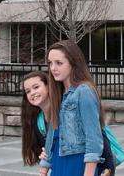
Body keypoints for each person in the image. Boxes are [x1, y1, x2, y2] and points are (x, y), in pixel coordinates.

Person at [39, 40, 105, 176]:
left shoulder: (84, 91)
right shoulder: (58, 94)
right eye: (50, 63)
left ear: (73, 63)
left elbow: (93, 137)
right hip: (58, 162)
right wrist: (44, 168)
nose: (53, 68)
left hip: (77, 162)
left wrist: (89, 173)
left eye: (59, 63)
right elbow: (53, 135)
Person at [21, 71, 59, 166]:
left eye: (36, 87)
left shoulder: (64, 111)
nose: (32, 93)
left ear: (48, 86)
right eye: (28, 91)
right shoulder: (36, 121)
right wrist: (43, 154)